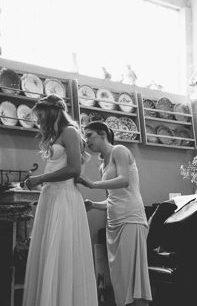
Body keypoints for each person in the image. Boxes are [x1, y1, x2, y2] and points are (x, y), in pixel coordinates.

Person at [22, 94, 97, 306]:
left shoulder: (70, 132)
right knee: (49, 252)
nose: (39, 120)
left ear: (52, 112)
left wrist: (41, 178)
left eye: (41, 115)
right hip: (51, 197)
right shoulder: (56, 136)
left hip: (64, 197)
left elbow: (74, 169)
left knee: (61, 251)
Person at [78, 121, 152, 306]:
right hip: (113, 224)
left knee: (132, 281)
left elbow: (124, 180)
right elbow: (112, 199)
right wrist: (93, 205)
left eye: (89, 135)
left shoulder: (120, 150)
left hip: (130, 219)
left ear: (103, 134)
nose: (86, 141)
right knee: (120, 281)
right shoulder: (102, 165)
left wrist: (92, 184)